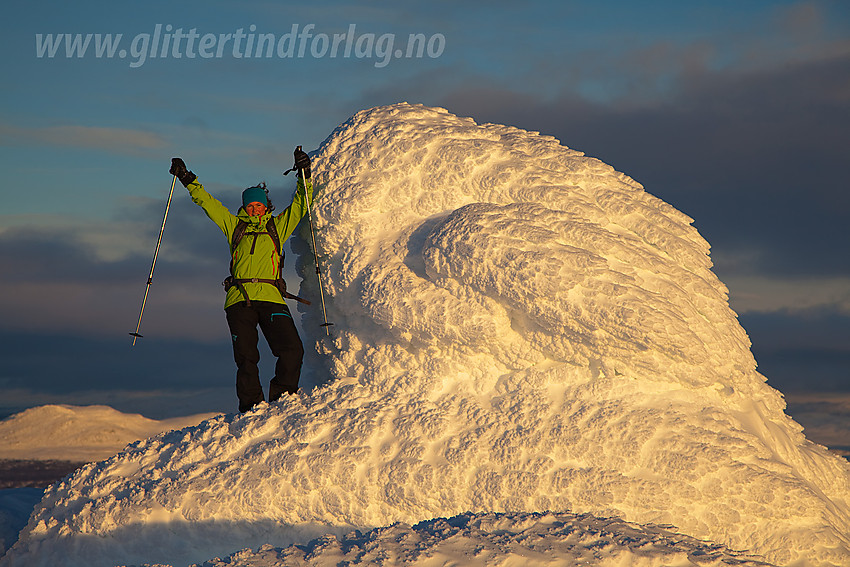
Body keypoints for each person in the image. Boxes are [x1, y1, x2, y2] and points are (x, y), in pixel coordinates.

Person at [169, 149, 313, 413]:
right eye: (250, 205)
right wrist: (188, 179)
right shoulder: (234, 226)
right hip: (239, 299)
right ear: (244, 207)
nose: (255, 209)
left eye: (258, 205)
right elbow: (209, 204)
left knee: (292, 350)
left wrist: (304, 174)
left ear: (266, 206)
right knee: (247, 358)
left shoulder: (277, 227)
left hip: (271, 297)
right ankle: (251, 407)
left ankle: (283, 400)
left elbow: (301, 205)